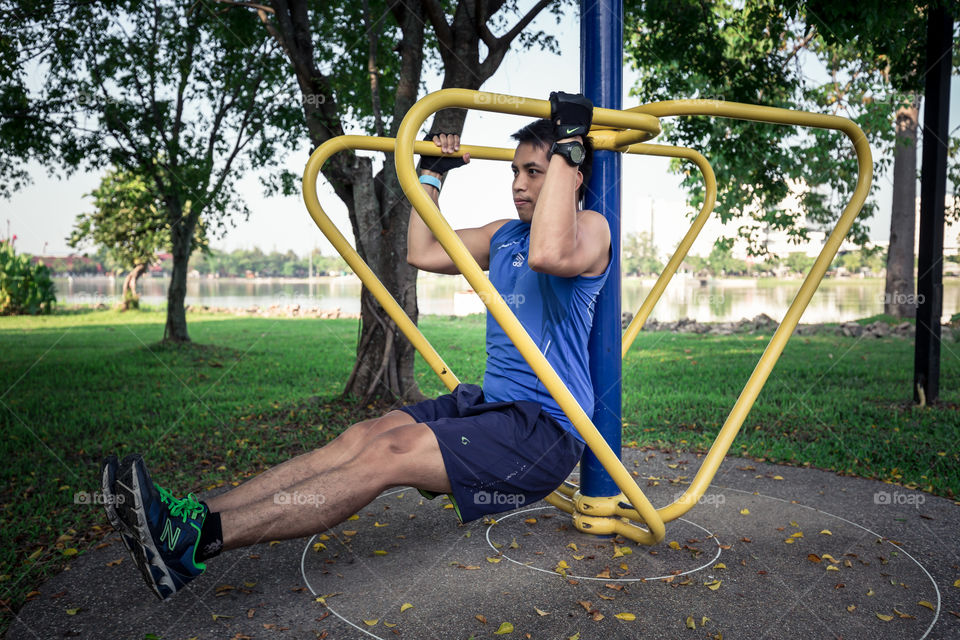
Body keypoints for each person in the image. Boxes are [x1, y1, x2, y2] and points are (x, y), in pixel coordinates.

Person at [101, 91, 611, 601]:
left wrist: (570, 142)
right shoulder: (504, 236)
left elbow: (549, 253)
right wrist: (432, 174)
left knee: (390, 454)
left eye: (534, 173)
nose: (518, 184)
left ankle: (195, 545)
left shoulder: (591, 229)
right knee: (363, 434)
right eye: (515, 172)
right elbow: (422, 250)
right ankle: (190, 517)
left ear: (571, 173)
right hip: (490, 405)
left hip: (544, 428)